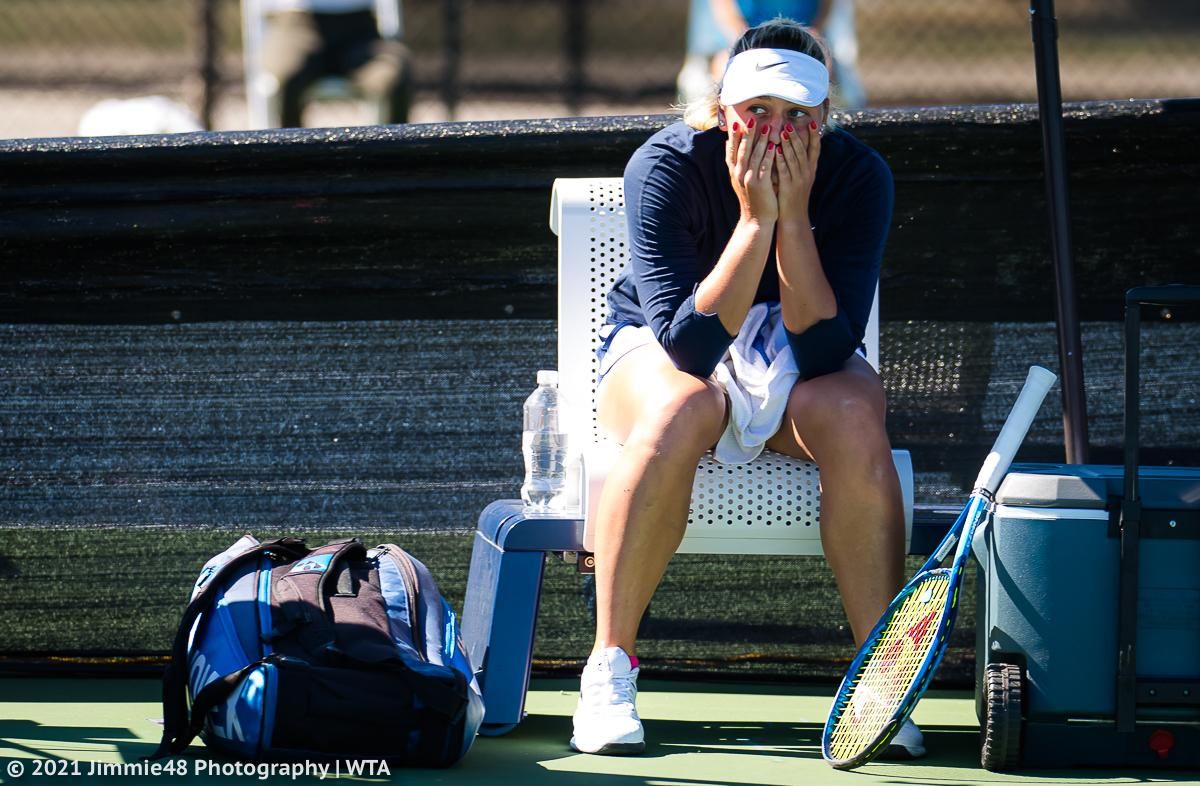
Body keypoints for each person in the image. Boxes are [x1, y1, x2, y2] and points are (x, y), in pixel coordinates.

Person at [569, 18, 922, 760]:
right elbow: (689, 348)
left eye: (798, 116)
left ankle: (881, 682)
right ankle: (608, 669)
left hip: (799, 352)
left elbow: (826, 348)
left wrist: (791, 218)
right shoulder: (664, 164)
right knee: (680, 407)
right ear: (722, 107)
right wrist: (755, 220)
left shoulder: (861, 176)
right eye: (758, 111)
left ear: (825, 118)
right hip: (669, 346)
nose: (776, 131)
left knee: (857, 417)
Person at [260, 0, 412, 128]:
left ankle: (389, 159)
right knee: (287, 75)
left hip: (360, 29)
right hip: (296, 24)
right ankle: (293, 158)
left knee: (394, 73)